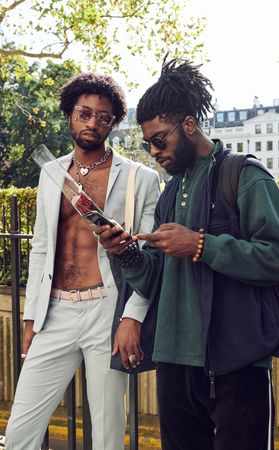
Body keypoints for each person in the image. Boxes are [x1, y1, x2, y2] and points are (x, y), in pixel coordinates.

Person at [98, 58, 279, 450]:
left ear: (188, 125)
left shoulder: (245, 176)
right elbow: (156, 278)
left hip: (235, 360)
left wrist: (202, 245)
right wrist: (127, 254)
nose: (152, 151)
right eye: (146, 143)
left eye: (159, 139)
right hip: (175, 360)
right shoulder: (171, 191)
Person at [5, 72, 160, 450]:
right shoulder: (51, 173)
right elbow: (41, 245)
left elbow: (152, 258)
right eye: (84, 113)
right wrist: (31, 316)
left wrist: (131, 317)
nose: (93, 122)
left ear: (113, 122)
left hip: (107, 312)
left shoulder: (141, 178)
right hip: (55, 311)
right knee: (21, 430)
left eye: (103, 117)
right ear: (70, 114)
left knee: (107, 432)